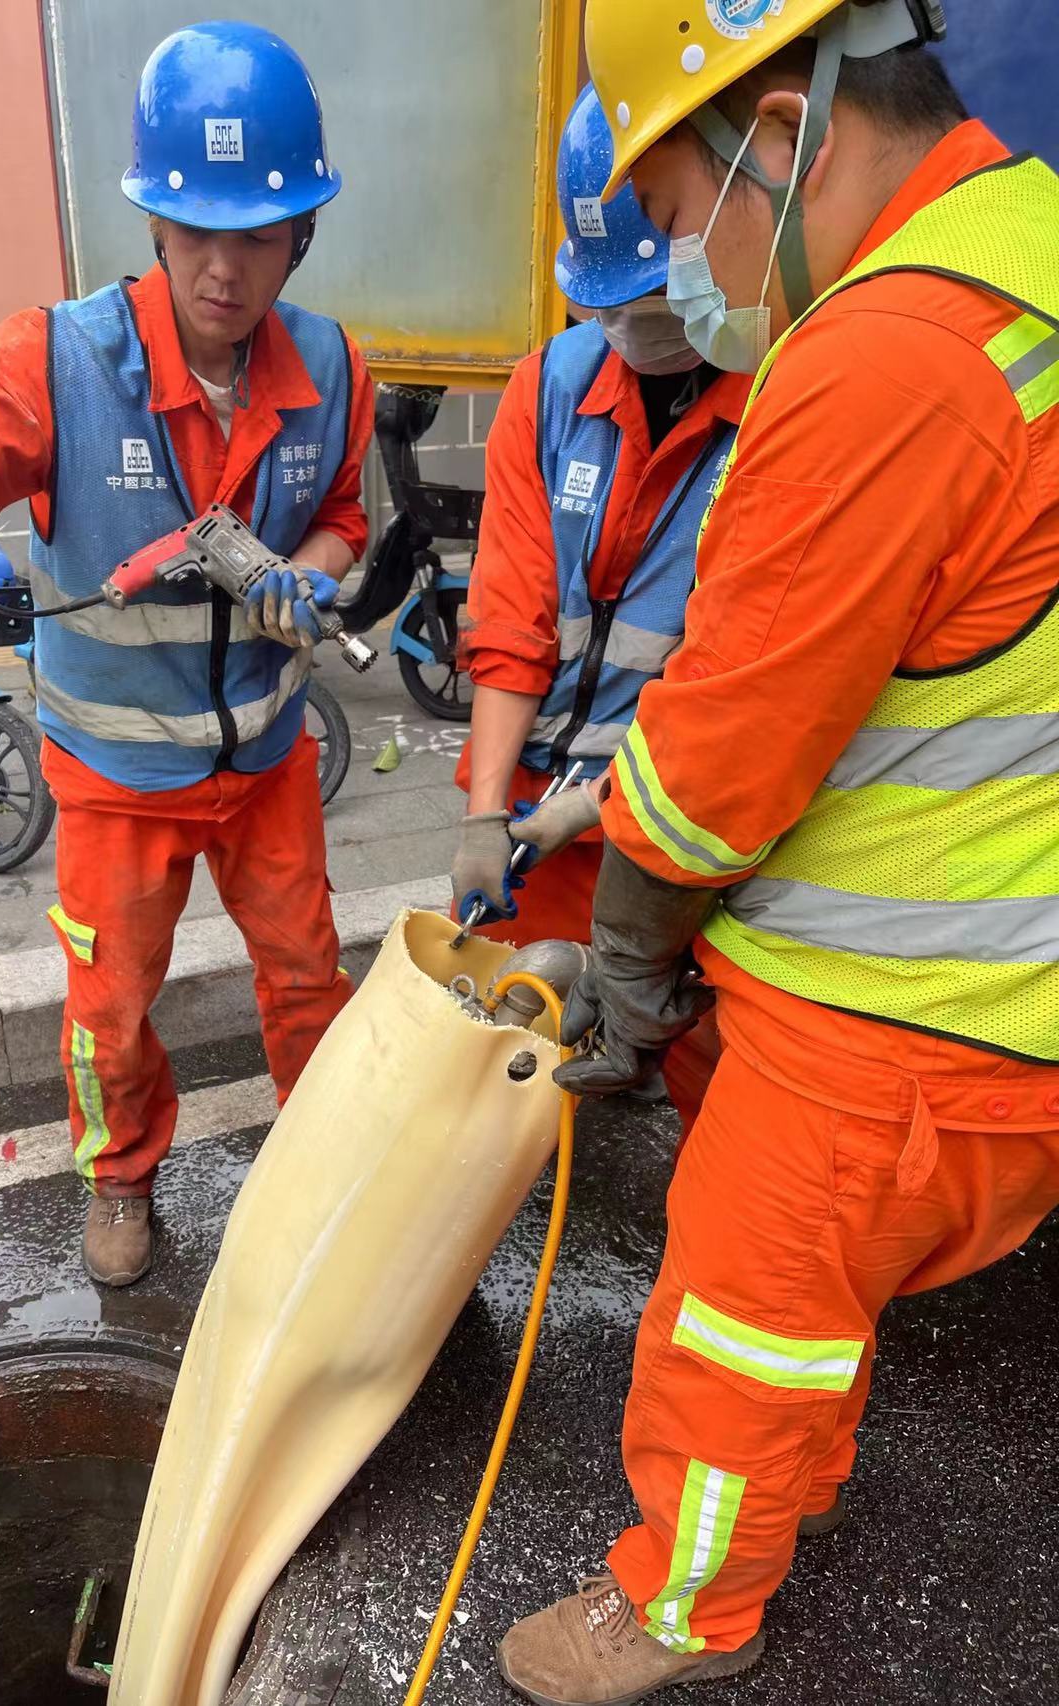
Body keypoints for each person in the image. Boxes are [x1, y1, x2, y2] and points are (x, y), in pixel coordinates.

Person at [497, 2, 1059, 1701]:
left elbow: (718, 779)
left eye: (681, 208)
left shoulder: (890, 354)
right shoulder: (1024, 258)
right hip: (995, 1000)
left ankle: (683, 1608)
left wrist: (632, 972)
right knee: (813, 1327)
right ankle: (781, 1500)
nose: (684, 260)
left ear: (786, 123)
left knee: (731, 1330)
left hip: (880, 1030)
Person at [0, 22, 374, 1288]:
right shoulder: (66, 357)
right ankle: (121, 1176)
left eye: (258, 235)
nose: (225, 270)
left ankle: (329, 1165)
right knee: (112, 1005)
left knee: (307, 975)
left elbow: (344, 513)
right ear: (152, 227)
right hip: (113, 778)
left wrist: (324, 574)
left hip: (269, 762)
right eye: (198, 234)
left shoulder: (332, 366)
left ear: (300, 235)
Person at [451, 83, 747, 1129]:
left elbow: (743, 682)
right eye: (602, 306)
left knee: (695, 1064)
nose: (626, 330)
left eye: (651, 304)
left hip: (680, 813)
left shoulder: (777, 406)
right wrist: (488, 814)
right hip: (540, 812)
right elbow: (510, 615)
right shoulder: (548, 384)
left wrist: (609, 803)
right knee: (516, 1054)